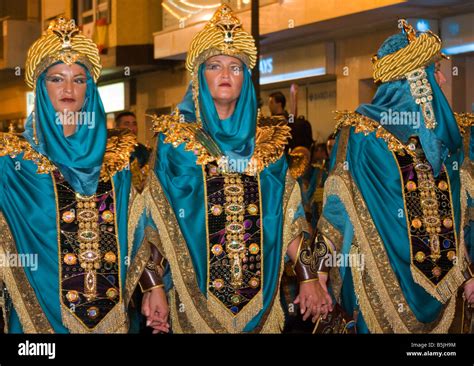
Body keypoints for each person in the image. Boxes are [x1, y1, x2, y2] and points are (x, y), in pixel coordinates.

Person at [133, 4, 332, 334]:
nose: (225, 74)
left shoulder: (268, 143)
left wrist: (309, 277)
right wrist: (153, 287)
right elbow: (153, 223)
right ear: (199, 75)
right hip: (193, 304)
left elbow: (290, 218)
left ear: (246, 78)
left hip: (262, 300)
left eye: (235, 67)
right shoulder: (176, 143)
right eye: (215, 65)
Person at [318, 19, 474, 333]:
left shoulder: (450, 142)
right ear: (413, 80)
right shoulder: (362, 137)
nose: (442, 78)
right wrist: (315, 276)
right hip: (379, 288)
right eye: (433, 71)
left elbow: (464, 217)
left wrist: (470, 273)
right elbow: (335, 214)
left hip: (447, 293)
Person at [0, 17, 147, 333]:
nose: (68, 89)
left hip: (110, 315)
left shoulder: (116, 159)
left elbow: (135, 228)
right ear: (40, 86)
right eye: (56, 78)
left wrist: (153, 285)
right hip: (33, 319)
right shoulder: (12, 160)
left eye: (79, 80)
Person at [115, 111, 151, 193]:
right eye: (127, 124)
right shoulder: (111, 151)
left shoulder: (143, 150)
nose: (132, 128)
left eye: (134, 124)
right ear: (117, 127)